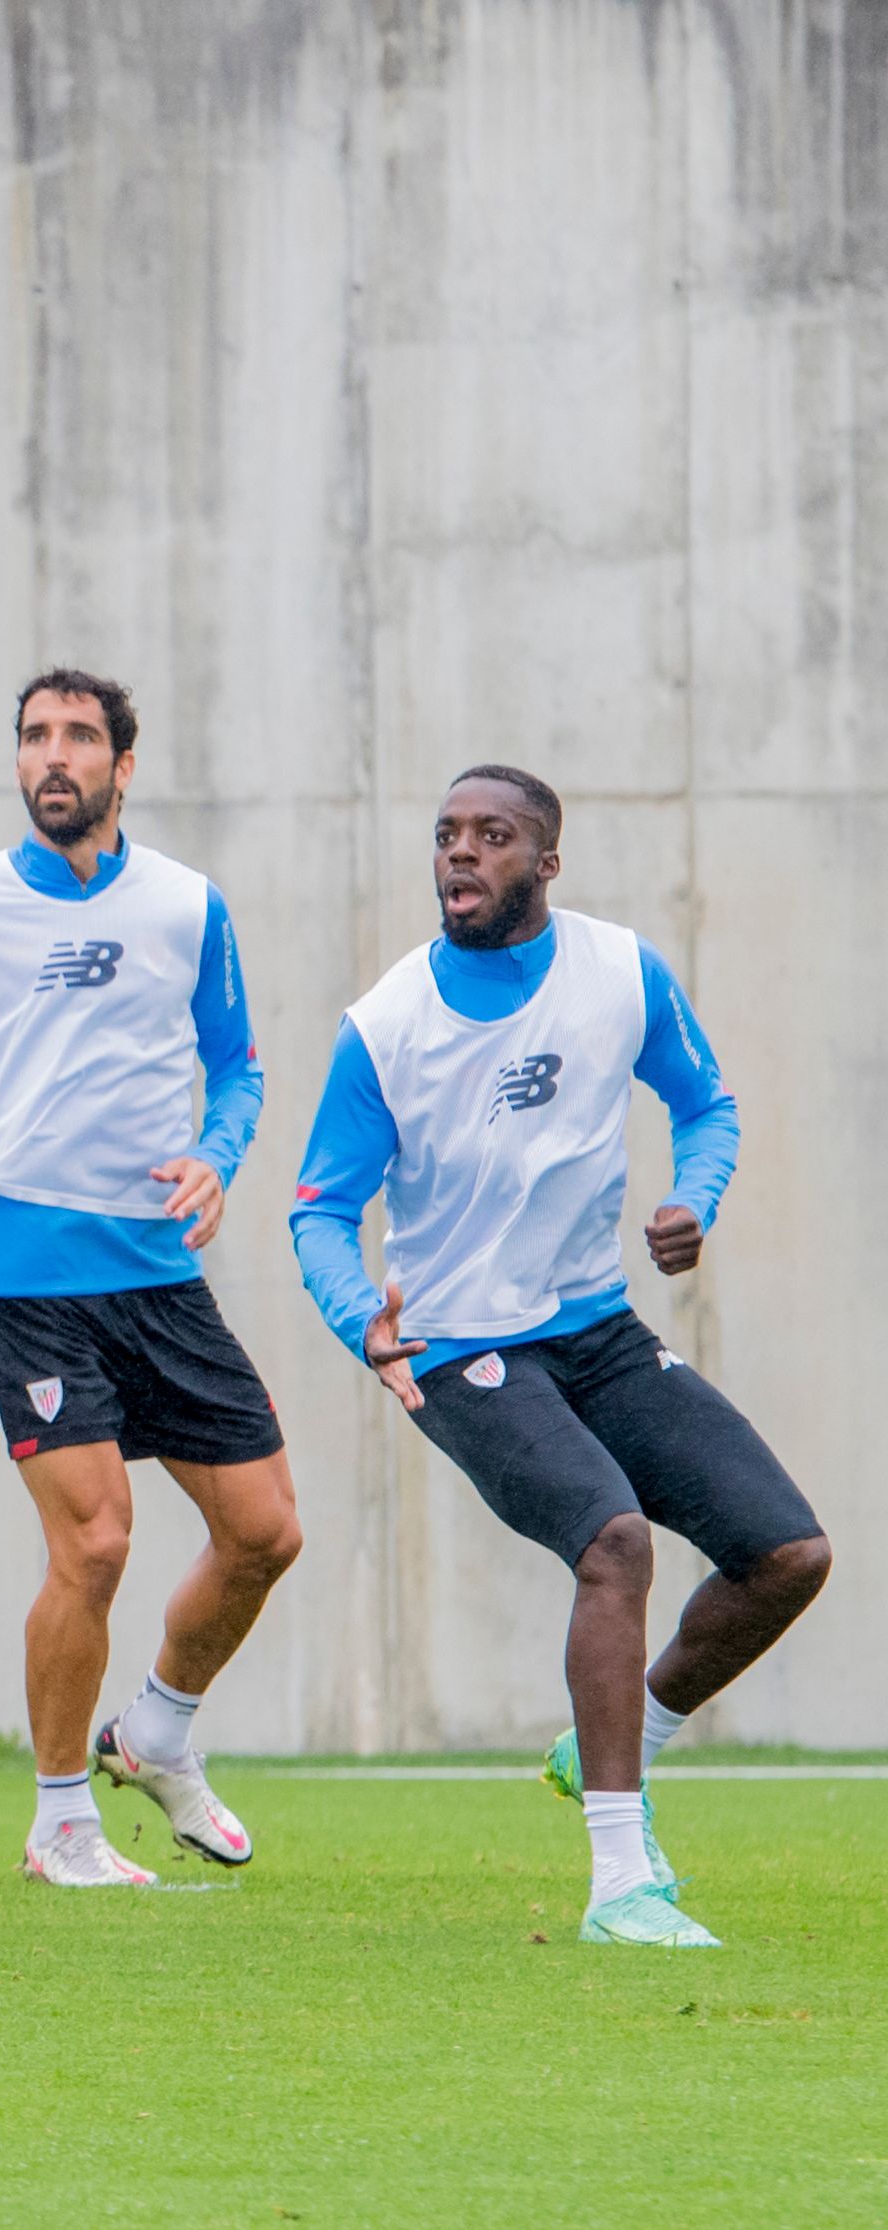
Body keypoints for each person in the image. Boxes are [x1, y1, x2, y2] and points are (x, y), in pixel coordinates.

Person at [289, 766, 827, 1949]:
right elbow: (318, 1209)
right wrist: (356, 1317)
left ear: (547, 858)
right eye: (445, 837)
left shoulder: (620, 972)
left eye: (492, 836)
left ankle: (609, 1737)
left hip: (596, 1330)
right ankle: (617, 1879)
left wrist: (695, 1197)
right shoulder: (386, 1026)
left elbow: (708, 1106)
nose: (459, 856)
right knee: (615, 1542)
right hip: (454, 1341)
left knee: (786, 1553)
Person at [0, 669, 301, 1887]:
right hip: (26, 1273)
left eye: (79, 737)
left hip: (155, 1271)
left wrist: (217, 1152)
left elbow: (237, 1067)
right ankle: (58, 1821)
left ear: (121, 766)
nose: (54, 754)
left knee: (262, 1531)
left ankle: (154, 1733)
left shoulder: (189, 906)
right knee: (94, 1544)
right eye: (35, 734)